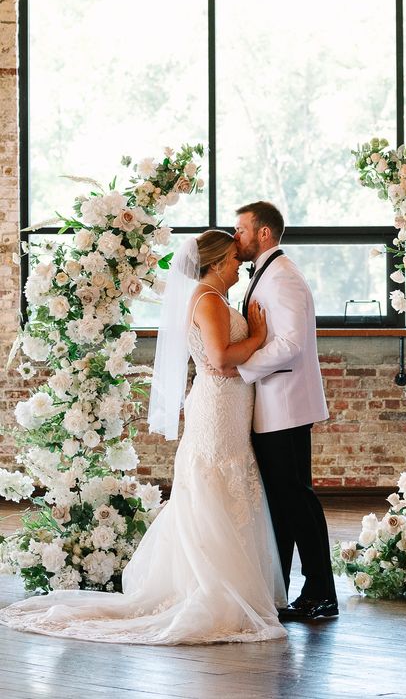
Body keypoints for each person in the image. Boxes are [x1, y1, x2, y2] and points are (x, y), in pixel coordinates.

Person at [0, 231, 287, 645]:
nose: (239, 264)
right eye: (233, 260)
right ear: (217, 262)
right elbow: (221, 356)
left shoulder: (216, 299)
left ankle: (233, 586)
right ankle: (214, 589)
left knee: (229, 487)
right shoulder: (208, 299)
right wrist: (259, 337)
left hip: (228, 403)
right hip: (217, 407)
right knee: (217, 485)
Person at [234, 201, 338, 621]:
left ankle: (321, 593)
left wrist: (242, 367)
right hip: (276, 403)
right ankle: (288, 591)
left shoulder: (283, 278)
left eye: (240, 229)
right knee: (285, 501)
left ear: (263, 233)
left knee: (297, 500)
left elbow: (291, 344)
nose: (234, 236)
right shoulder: (268, 273)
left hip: (285, 405)